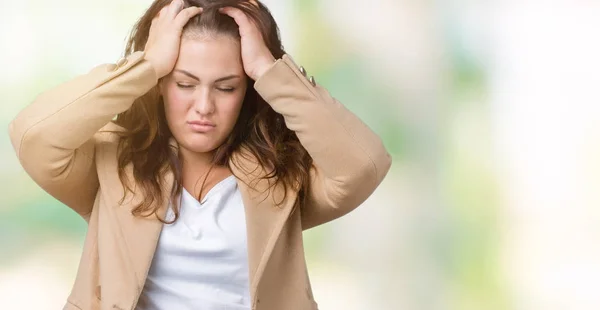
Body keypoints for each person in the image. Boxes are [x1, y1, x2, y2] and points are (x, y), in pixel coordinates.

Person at [8, 0, 391, 309]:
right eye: (185, 83)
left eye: (226, 87)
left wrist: (269, 70)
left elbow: (364, 165)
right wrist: (146, 64)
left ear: (248, 91)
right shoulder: (114, 164)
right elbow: (34, 136)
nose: (203, 106)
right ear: (159, 85)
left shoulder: (283, 172)